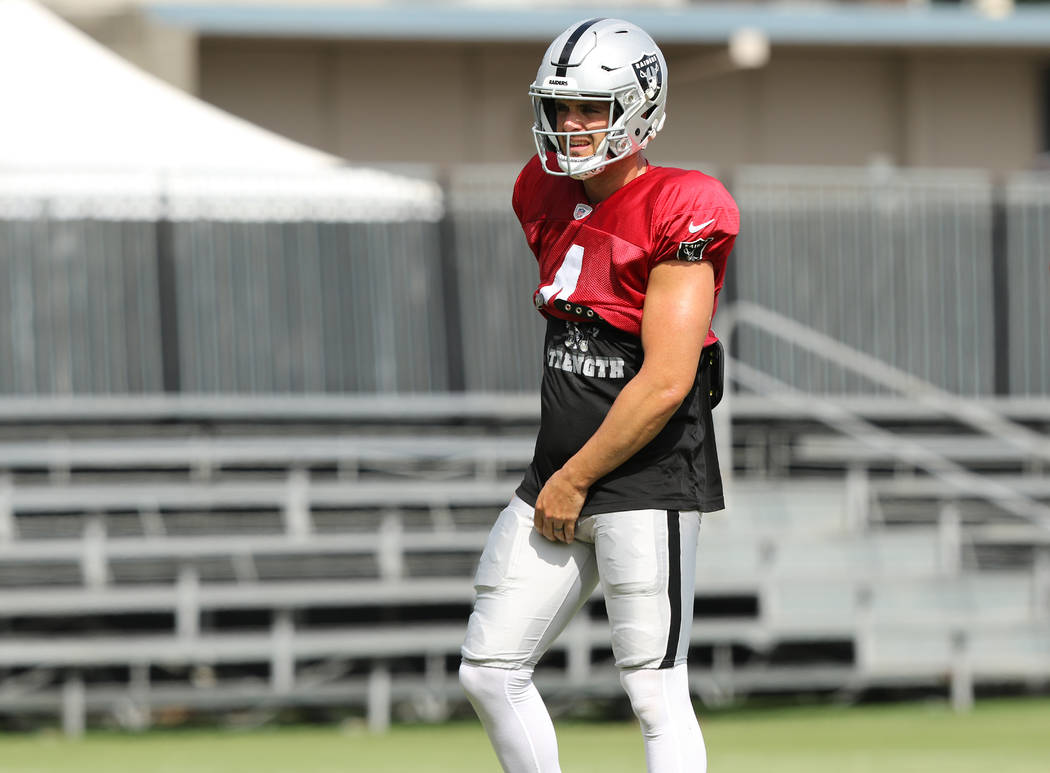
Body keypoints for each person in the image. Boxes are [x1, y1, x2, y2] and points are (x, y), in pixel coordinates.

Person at [459, 17, 738, 773]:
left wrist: (578, 478)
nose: (571, 126)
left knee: (654, 690)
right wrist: (564, 474)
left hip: (642, 476)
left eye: (591, 108)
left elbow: (667, 378)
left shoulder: (682, 203)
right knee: (488, 669)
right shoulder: (541, 191)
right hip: (557, 469)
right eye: (561, 107)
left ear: (639, 107)